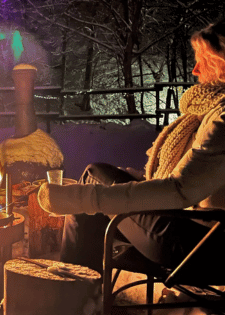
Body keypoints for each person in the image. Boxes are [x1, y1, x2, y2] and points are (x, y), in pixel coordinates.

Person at [37, 19, 225, 273]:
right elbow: (191, 177)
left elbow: (180, 190)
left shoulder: (222, 118)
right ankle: (78, 290)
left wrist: (81, 198)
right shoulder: (209, 111)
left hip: (199, 244)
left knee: (92, 183)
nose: (195, 70)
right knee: (96, 174)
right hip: (194, 228)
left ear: (222, 62)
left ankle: (72, 293)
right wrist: (133, 179)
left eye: (203, 59)